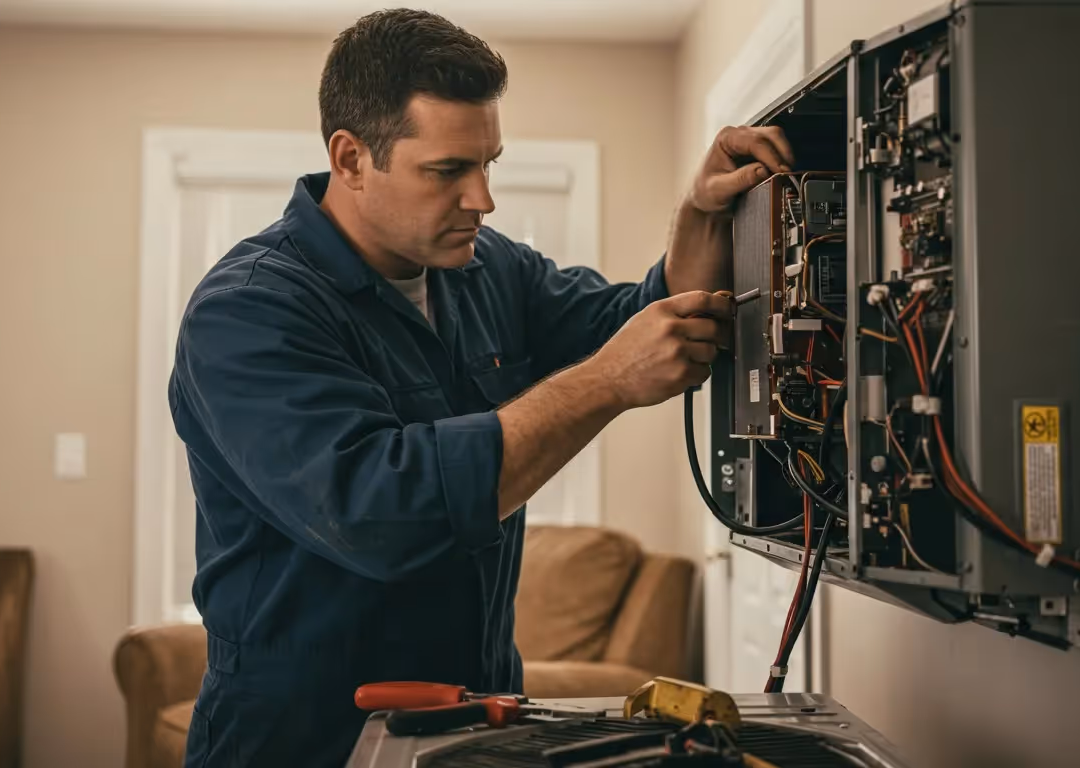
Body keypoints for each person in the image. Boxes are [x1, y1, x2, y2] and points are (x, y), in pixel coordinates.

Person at [168, 8, 793, 767]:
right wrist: (605, 383)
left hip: (475, 724)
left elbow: (643, 324)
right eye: (447, 172)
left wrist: (701, 215)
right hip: (299, 739)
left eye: (488, 163)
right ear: (351, 157)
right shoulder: (249, 310)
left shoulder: (488, 268)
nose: (482, 199)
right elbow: (381, 513)